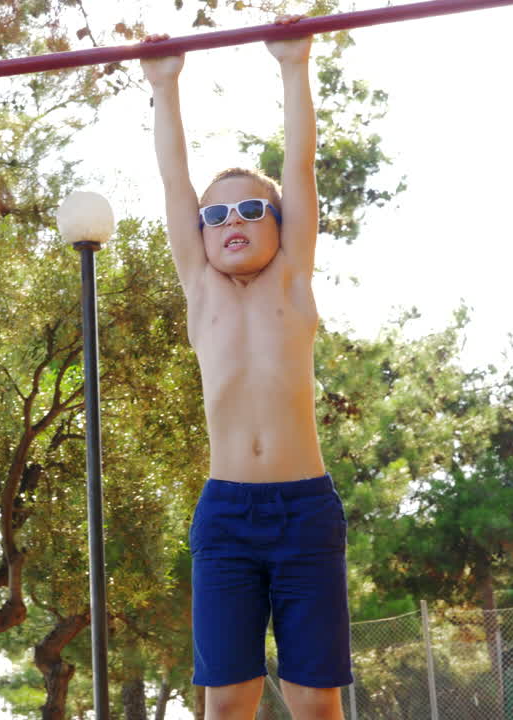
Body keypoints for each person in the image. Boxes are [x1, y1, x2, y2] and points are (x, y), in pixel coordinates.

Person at [140, 15, 352, 720]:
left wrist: (295, 65)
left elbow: (300, 166)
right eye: (218, 212)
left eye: (252, 208)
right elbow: (175, 180)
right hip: (228, 514)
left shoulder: (292, 281)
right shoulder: (201, 292)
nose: (232, 218)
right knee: (227, 699)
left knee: (313, 700)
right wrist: (164, 83)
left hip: (305, 509)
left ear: (281, 225)